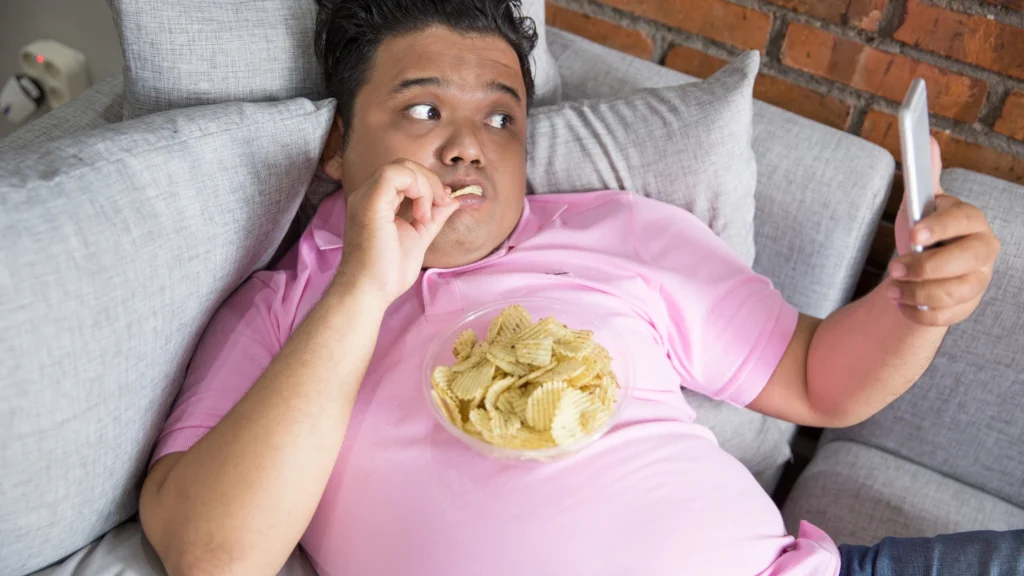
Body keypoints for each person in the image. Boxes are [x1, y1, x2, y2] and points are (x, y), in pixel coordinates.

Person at [137, 1, 1017, 575]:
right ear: (336, 148)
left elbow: (820, 375)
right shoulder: (287, 307)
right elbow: (213, 556)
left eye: (499, 117)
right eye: (421, 109)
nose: (466, 145)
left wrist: (915, 299)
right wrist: (364, 289)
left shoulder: (618, 233)